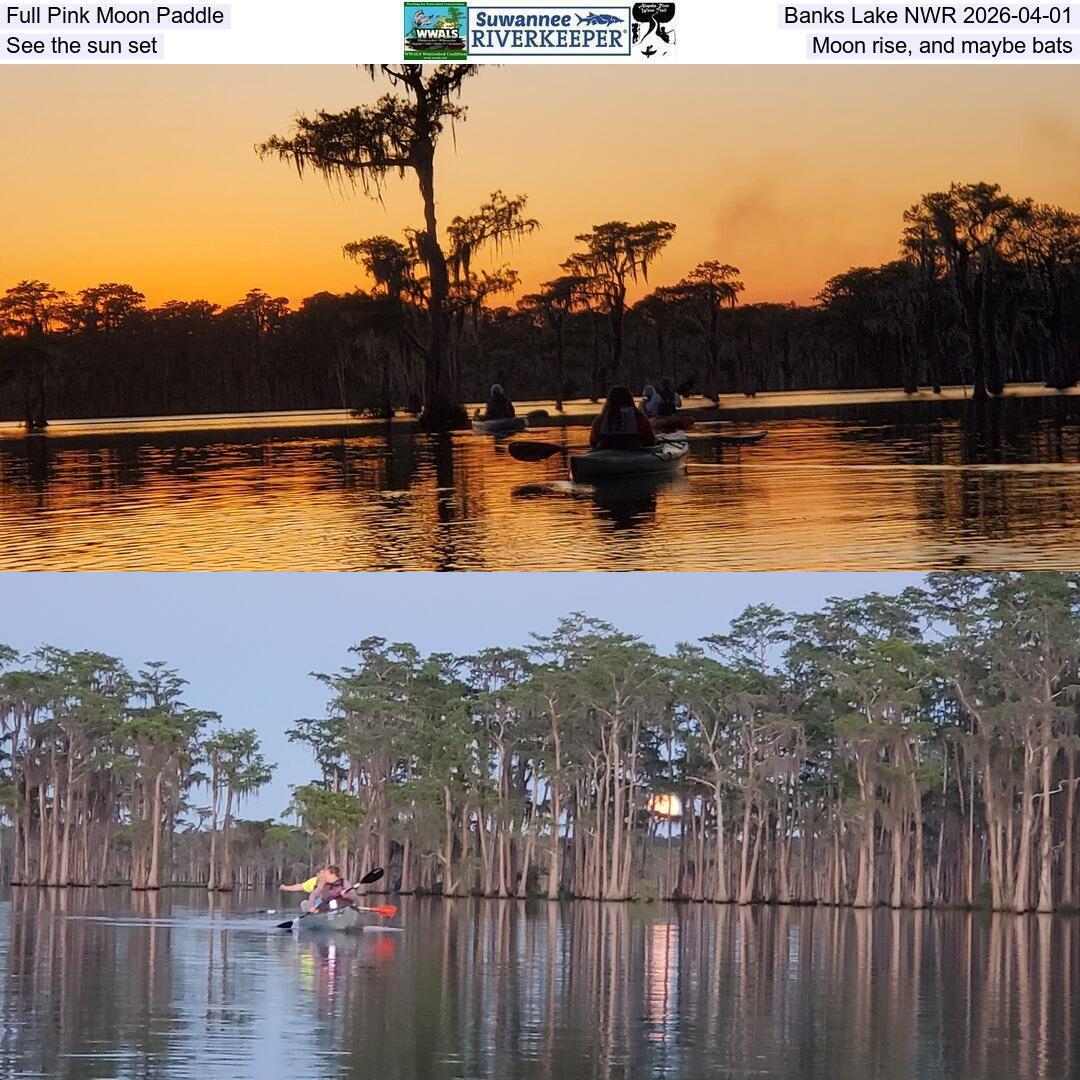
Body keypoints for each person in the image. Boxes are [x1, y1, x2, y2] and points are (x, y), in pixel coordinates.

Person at [590, 385, 657, 450]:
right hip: (633, 451)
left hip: (605, 450)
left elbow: (593, 443)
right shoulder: (640, 418)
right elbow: (650, 441)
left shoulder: (599, 420)